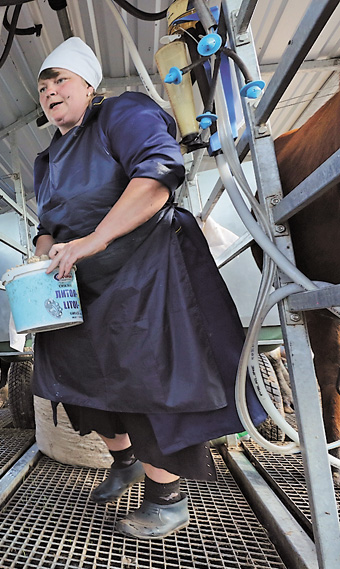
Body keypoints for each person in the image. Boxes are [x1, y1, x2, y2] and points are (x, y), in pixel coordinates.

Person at [31, 37, 265, 539]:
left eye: (60, 81)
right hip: (77, 281)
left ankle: (167, 498)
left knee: (150, 380)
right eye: (43, 86)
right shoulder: (46, 159)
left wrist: (91, 241)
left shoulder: (122, 112)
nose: (50, 92)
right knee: (82, 382)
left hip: (145, 269)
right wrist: (42, 250)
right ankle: (125, 461)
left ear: (89, 85)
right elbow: (45, 222)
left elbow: (159, 173)